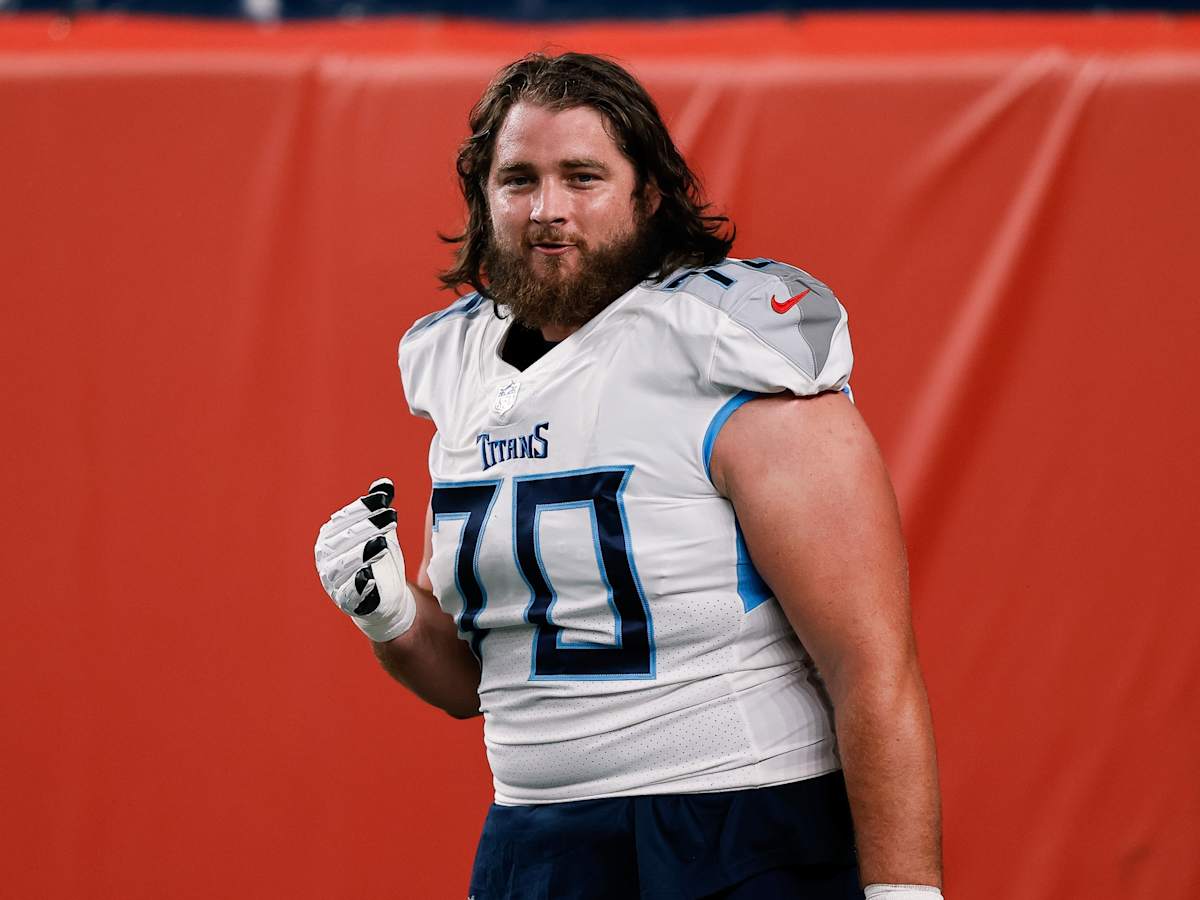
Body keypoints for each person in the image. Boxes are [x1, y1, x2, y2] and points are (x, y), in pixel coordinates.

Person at [314, 52, 943, 900]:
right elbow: (476, 686)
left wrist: (906, 892)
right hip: (534, 840)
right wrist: (390, 613)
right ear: (482, 197)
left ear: (647, 194)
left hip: (736, 826)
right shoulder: (459, 370)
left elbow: (872, 663)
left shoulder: (723, 344)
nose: (547, 210)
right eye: (518, 179)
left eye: (582, 177)